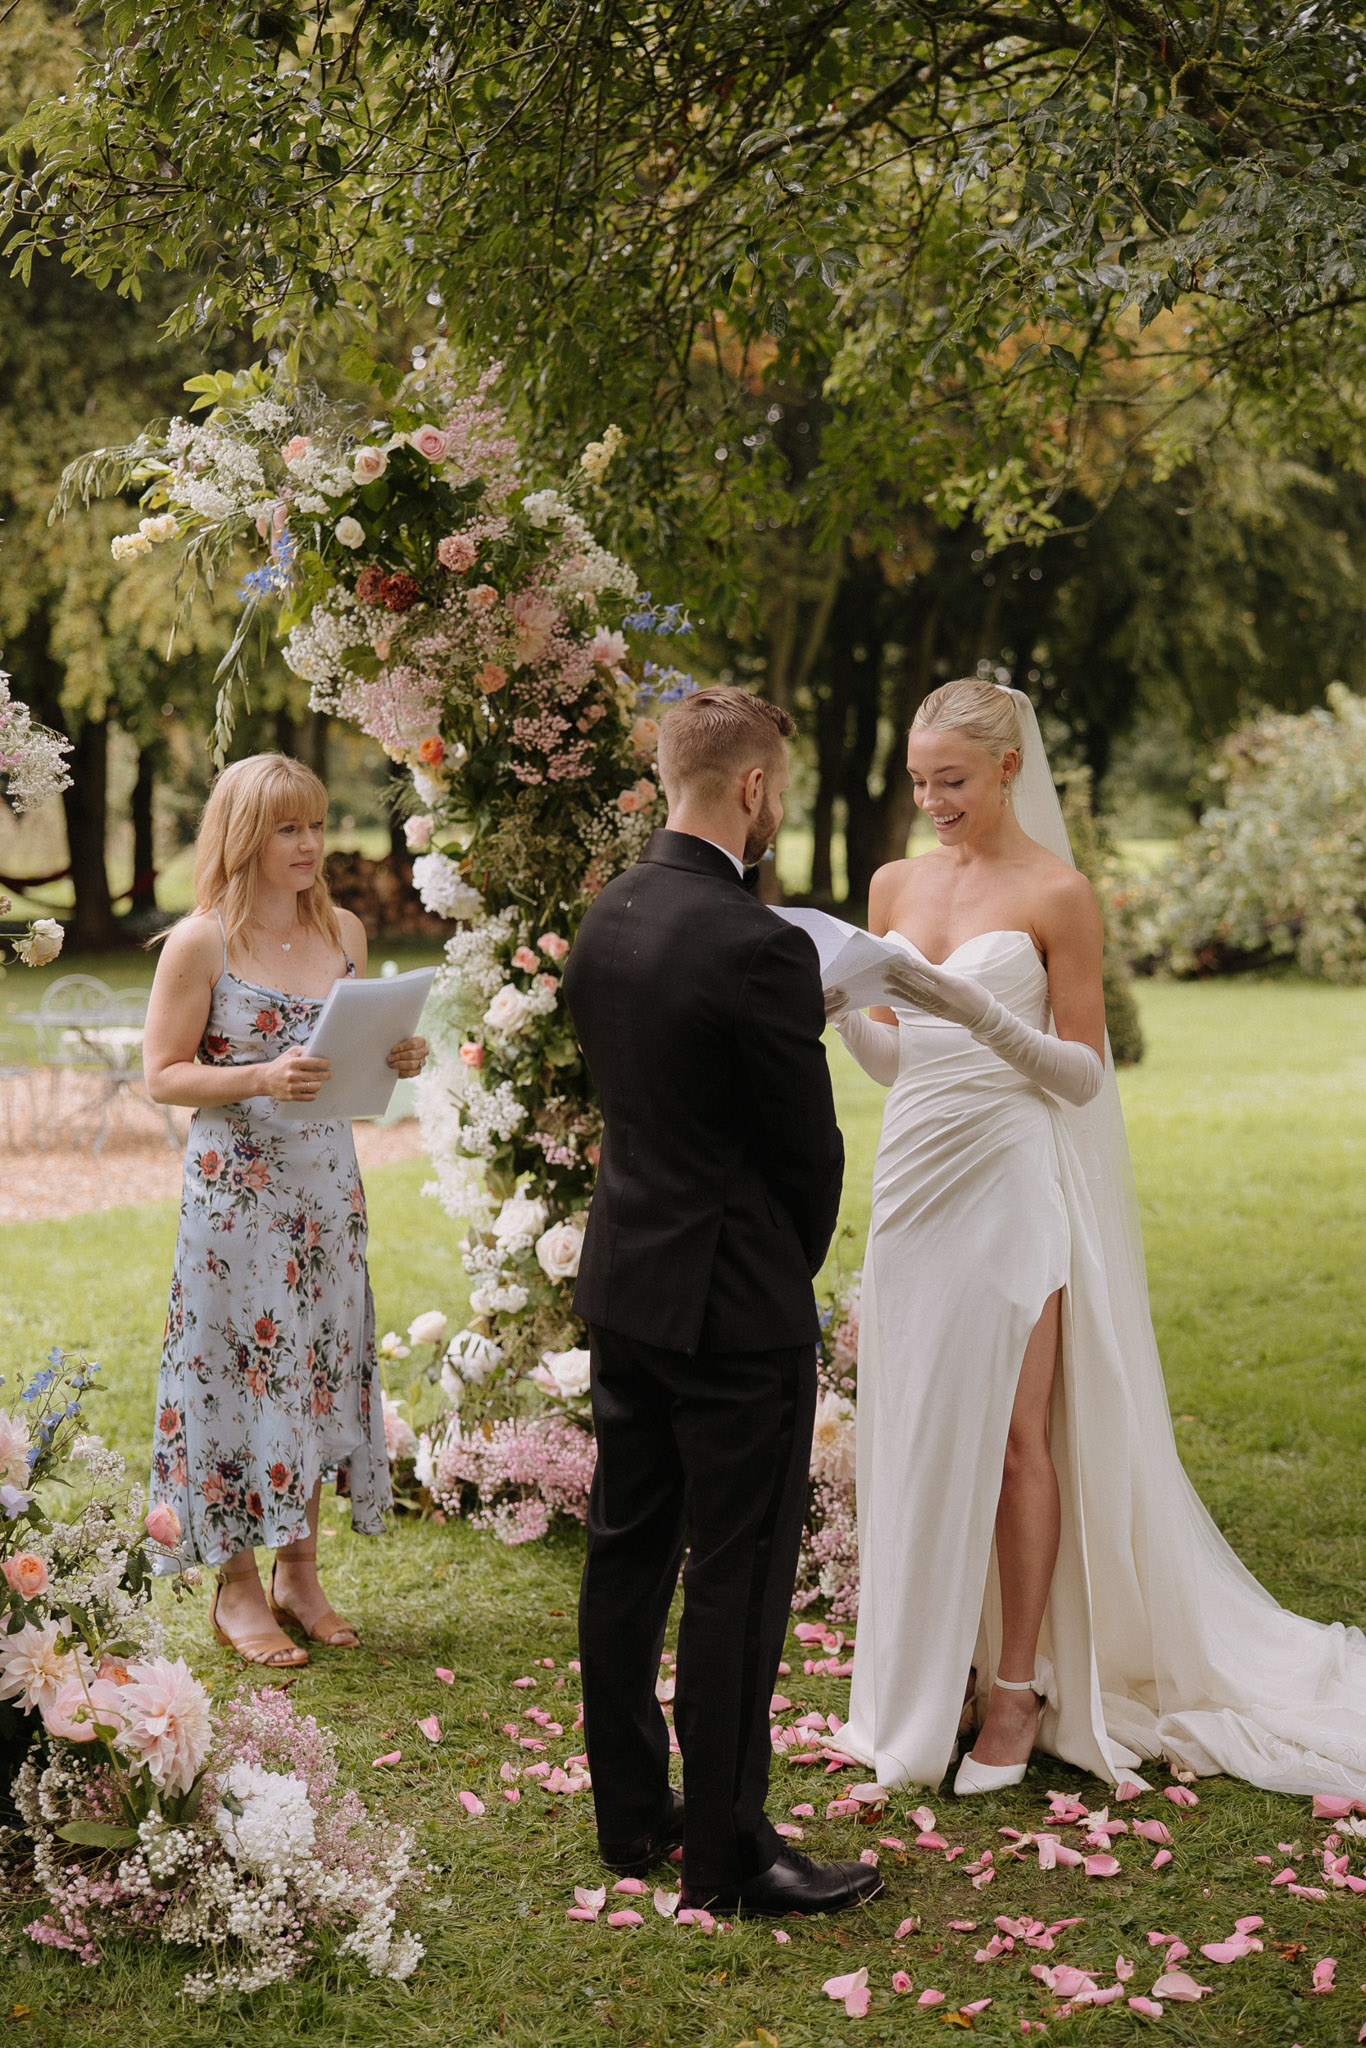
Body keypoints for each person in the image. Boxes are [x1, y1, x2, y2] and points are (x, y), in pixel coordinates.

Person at [829, 678, 1366, 1800]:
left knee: (1020, 1434)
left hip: (1012, 1179)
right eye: (921, 780)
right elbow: (894, 1062)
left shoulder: (1057, 891)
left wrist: (983, 1014)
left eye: (953, 781)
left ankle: (1017, 1690)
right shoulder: (892, 881)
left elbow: (1084, 1075)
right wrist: (841, 1009)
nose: (933, 801)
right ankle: (920, 1681)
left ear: (1010, 765)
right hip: (913, 1180)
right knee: (913, 1425)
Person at [563, 687, 881, 1917]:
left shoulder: (609, 913)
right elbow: (809, 1157)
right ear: (751, 789)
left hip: (627, 1279)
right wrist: (780, 1269)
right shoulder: (760, 943)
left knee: (627, 1554)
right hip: (734, 1306)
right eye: (781, 789)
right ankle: (729, 1853)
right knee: (737, 1576)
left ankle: (629, 1817)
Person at [142, 753, 427, 1668]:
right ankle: (233, 1588)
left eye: (314, 824)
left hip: (326, 1191)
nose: (310, 844)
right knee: (233, 1370)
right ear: (244, 837)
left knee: (312, 1367)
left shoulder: (344, 931)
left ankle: (299, 1573)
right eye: (287, 829)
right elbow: (161, 1076)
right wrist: (260, 1075)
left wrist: (394, 1055)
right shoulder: (202, 943)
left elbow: (345, 1060)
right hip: (236, 1199)